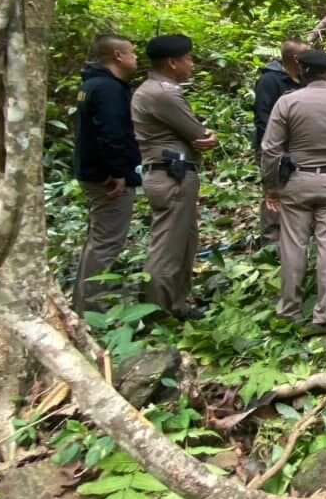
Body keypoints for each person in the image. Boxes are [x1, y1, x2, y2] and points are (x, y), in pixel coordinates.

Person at [260, 49, 326, 331]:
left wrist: (271, 186)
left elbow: (270, 149)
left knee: (293, 246)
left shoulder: (287, 103)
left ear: (303, 73)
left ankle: (289, 311)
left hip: (296, 183)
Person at [131, 34, 219, 317]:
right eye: (188, 59)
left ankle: (179, 303)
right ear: (172, 62)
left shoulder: (156, 89)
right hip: (171, 177)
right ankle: (158, 309)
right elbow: (199, 134)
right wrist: (207, 136)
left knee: (184, 241)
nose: (191, 65)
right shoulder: (163, 92)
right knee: (168, 246)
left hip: (175, 174)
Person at [72, 34, 142, 312]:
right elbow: (111, 133)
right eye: (132, 53)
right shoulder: (107, 89)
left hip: (93, 171)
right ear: (118, 56)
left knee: (98, 238)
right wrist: (119, 171)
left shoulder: (92, 84)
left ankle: (85, 298)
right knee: (106, 242)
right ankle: (91, 307)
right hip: (106, 178)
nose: (135, 58)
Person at [253, 39, 308, 248]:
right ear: (295, 58)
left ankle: (296, 237)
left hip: (300, 147)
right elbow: (263, 117)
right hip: (275, 148)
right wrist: (274, 147)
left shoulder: (303, 80)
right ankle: (271, 244)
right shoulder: (270, 81)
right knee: (274, 195)